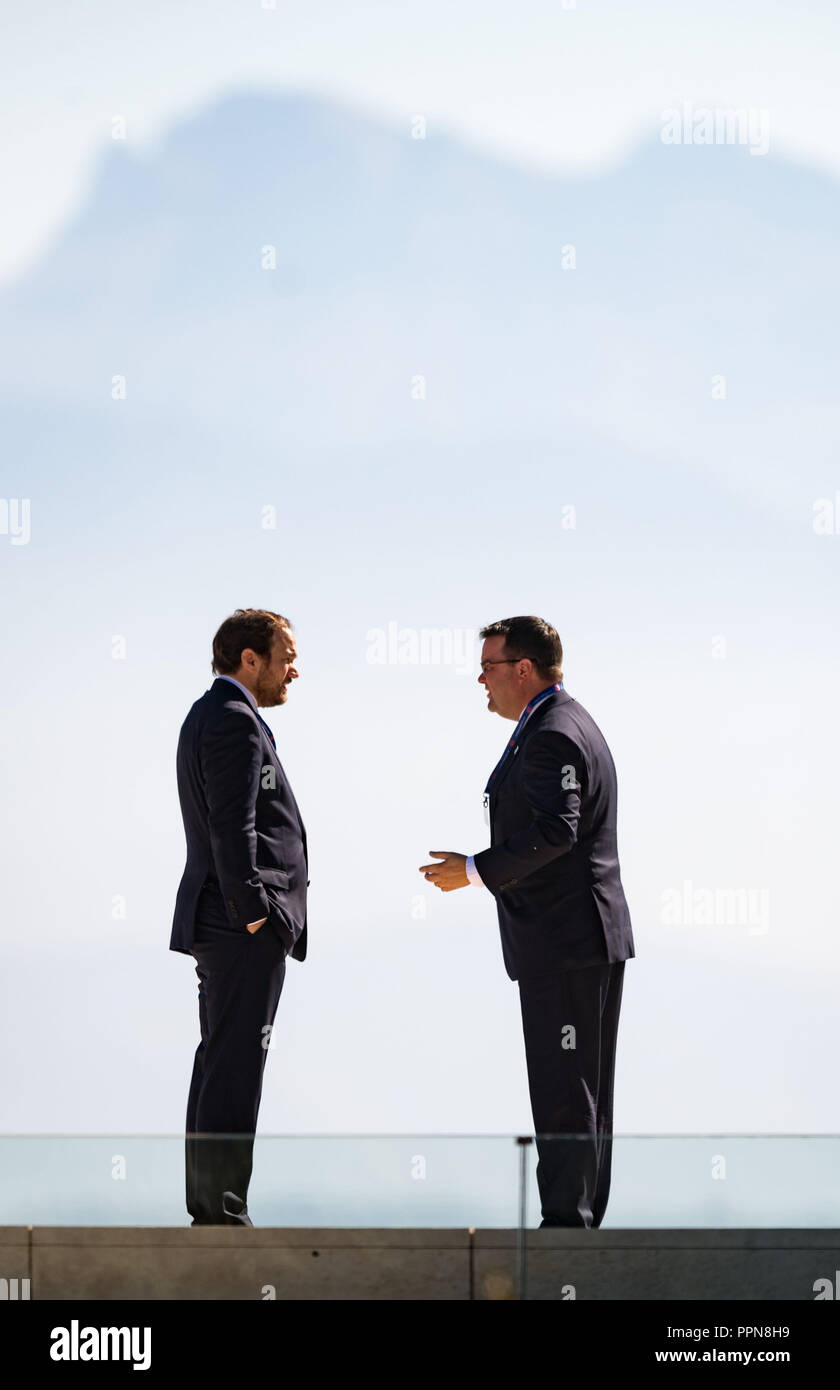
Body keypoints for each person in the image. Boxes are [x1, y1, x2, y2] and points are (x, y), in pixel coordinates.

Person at [420, 615, 634, 1228]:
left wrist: (476, 869)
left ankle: (566, 1231)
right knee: (580, 1090)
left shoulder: (553, 734)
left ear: (523, 669)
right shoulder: (556, 723)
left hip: (566, 939)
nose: (479, 679)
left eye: (488, 666)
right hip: (576, 938)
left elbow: (556, 832)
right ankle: (577, 1223)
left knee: (567, 1090)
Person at [170, 608, 308, 1225]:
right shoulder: (233, 722)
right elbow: (234, 828)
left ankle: (213, 1208)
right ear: (249, 659)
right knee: (234, 1064)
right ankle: (221, 1215)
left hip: (224, 920)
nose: (293, 671)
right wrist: (256, 913)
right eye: (285, 658)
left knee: (222, 1058)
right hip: (238, 924)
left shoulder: (213, 713)